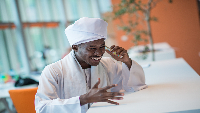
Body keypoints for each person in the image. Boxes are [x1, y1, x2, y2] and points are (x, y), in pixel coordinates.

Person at [35, 17, 147, 113]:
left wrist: (126, 62)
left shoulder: (108, 64)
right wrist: (83, 99)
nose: (98, 53)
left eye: (102, 47)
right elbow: (43, 107)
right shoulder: (54, 71)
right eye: (92, 48)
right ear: (75, 47)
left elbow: (133, 87)